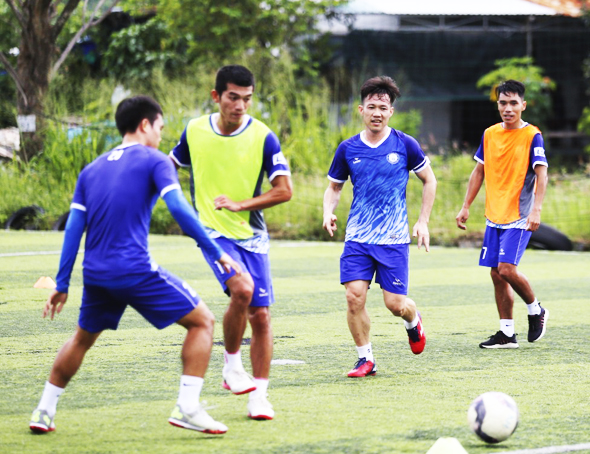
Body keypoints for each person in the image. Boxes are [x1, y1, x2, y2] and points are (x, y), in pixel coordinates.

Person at [29, 96, 241, 435]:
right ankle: (187, 407)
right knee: (203, 322)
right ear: (145, 125)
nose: (161, 136)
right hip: (135, 271)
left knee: (82, 339)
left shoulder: (91, 169)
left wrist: (63, 283)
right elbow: (180, 210)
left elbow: (73, 228)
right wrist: (216, 250)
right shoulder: (156, 160)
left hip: (97, 275)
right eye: (159, 128)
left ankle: (43, 409)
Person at [170, 65, 292, 420]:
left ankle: (259, 398)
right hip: (210, 230)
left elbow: (284, 190)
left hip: (252, 235)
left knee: (262, 316)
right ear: (216, 97)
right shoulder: (194, 131)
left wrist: (242, 205)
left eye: (247, 99)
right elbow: (168, 166)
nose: (240, 105)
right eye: (233, 97)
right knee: (242, 290)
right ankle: (231, 367)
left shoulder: (264, 136)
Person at [322, 76, 437, 378]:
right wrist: (327, 212)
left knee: (395, 305)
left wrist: (423, 221)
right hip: (358, 237)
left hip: (393, 239)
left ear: (390, 112)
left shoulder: (405, 144)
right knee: (354, 297)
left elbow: (429, 180)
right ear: (361, 110)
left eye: (382, 108)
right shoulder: (347, 149)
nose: (377, 112)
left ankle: (414, 322)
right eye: (371, 106)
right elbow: (334, 187)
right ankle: (365, 359)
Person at [455, 79, 549, 349]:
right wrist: (465, 206)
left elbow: (542, 174)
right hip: (493, 215)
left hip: (519, 215)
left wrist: (536, 209)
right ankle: (506, 333)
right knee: (496, 274)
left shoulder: (533, 135)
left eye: (513, 103)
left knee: (507, 269)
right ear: (497, 105)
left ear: (523, 105)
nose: (508, 108)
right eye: (503, 103)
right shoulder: (489, 134)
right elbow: (479, 171)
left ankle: (535, 310)